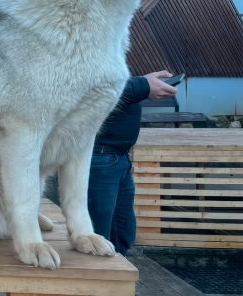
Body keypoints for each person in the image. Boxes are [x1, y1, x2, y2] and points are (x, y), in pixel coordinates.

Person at [44, 71, 178, 256]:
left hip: (119, 158)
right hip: (97, 160)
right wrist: (143, 86)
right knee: (96, 235)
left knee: (122, 233)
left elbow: (110, 83)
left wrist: (142, 83)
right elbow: (91, 89)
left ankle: (118, 271)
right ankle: (94, 281)